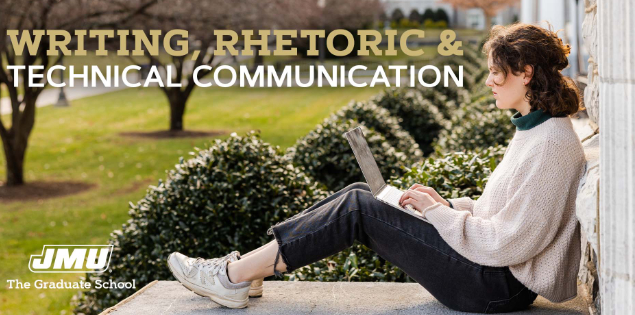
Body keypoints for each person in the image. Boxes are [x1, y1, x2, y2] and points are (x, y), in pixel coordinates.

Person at [166, 22, 587, 313]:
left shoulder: (551, 142)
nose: (489, 80)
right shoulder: (536, 131)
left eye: (497, 72)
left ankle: (232, 276)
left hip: (494, 288)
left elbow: (509, 243)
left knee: (358, 209)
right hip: (490, 274)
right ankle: (248, 272)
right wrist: (444, 205)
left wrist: (439, 216)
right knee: (358, 194)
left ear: (526, 72)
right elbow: (506, 217)